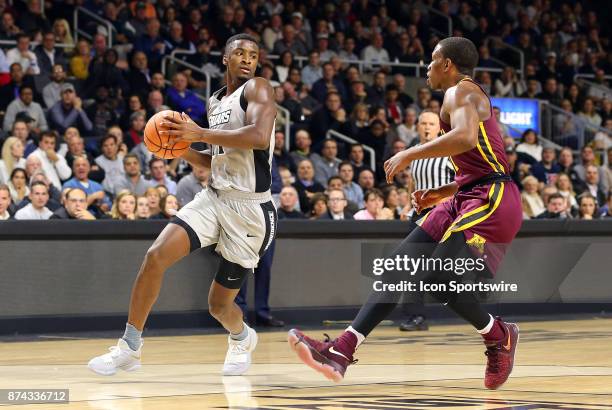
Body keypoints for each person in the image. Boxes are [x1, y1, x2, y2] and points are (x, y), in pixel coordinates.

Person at [289, 37, 522, 390]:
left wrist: (410, 153)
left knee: (441, 278)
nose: (426, 67)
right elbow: (479, 159)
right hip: (468, 194)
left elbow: (465, 138)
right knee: (397, 268)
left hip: (493, 198)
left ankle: (499, 335)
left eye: (432, 60)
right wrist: (444, 192)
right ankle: (341, 351)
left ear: (447, 64)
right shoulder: (460, 95)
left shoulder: (460, 91)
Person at [88, 34, 277, 378]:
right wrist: (172, 148)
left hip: (250, 210)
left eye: (253, 54)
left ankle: (241, 337)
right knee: (155, 256)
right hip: (215, 195)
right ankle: (129, 347)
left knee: (219, 306)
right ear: (225, 58)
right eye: (239, 53)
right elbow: (212, 158)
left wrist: (198, 134)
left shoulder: (259, 89)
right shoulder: (216, 101)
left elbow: (258, 137)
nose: (247, 59)